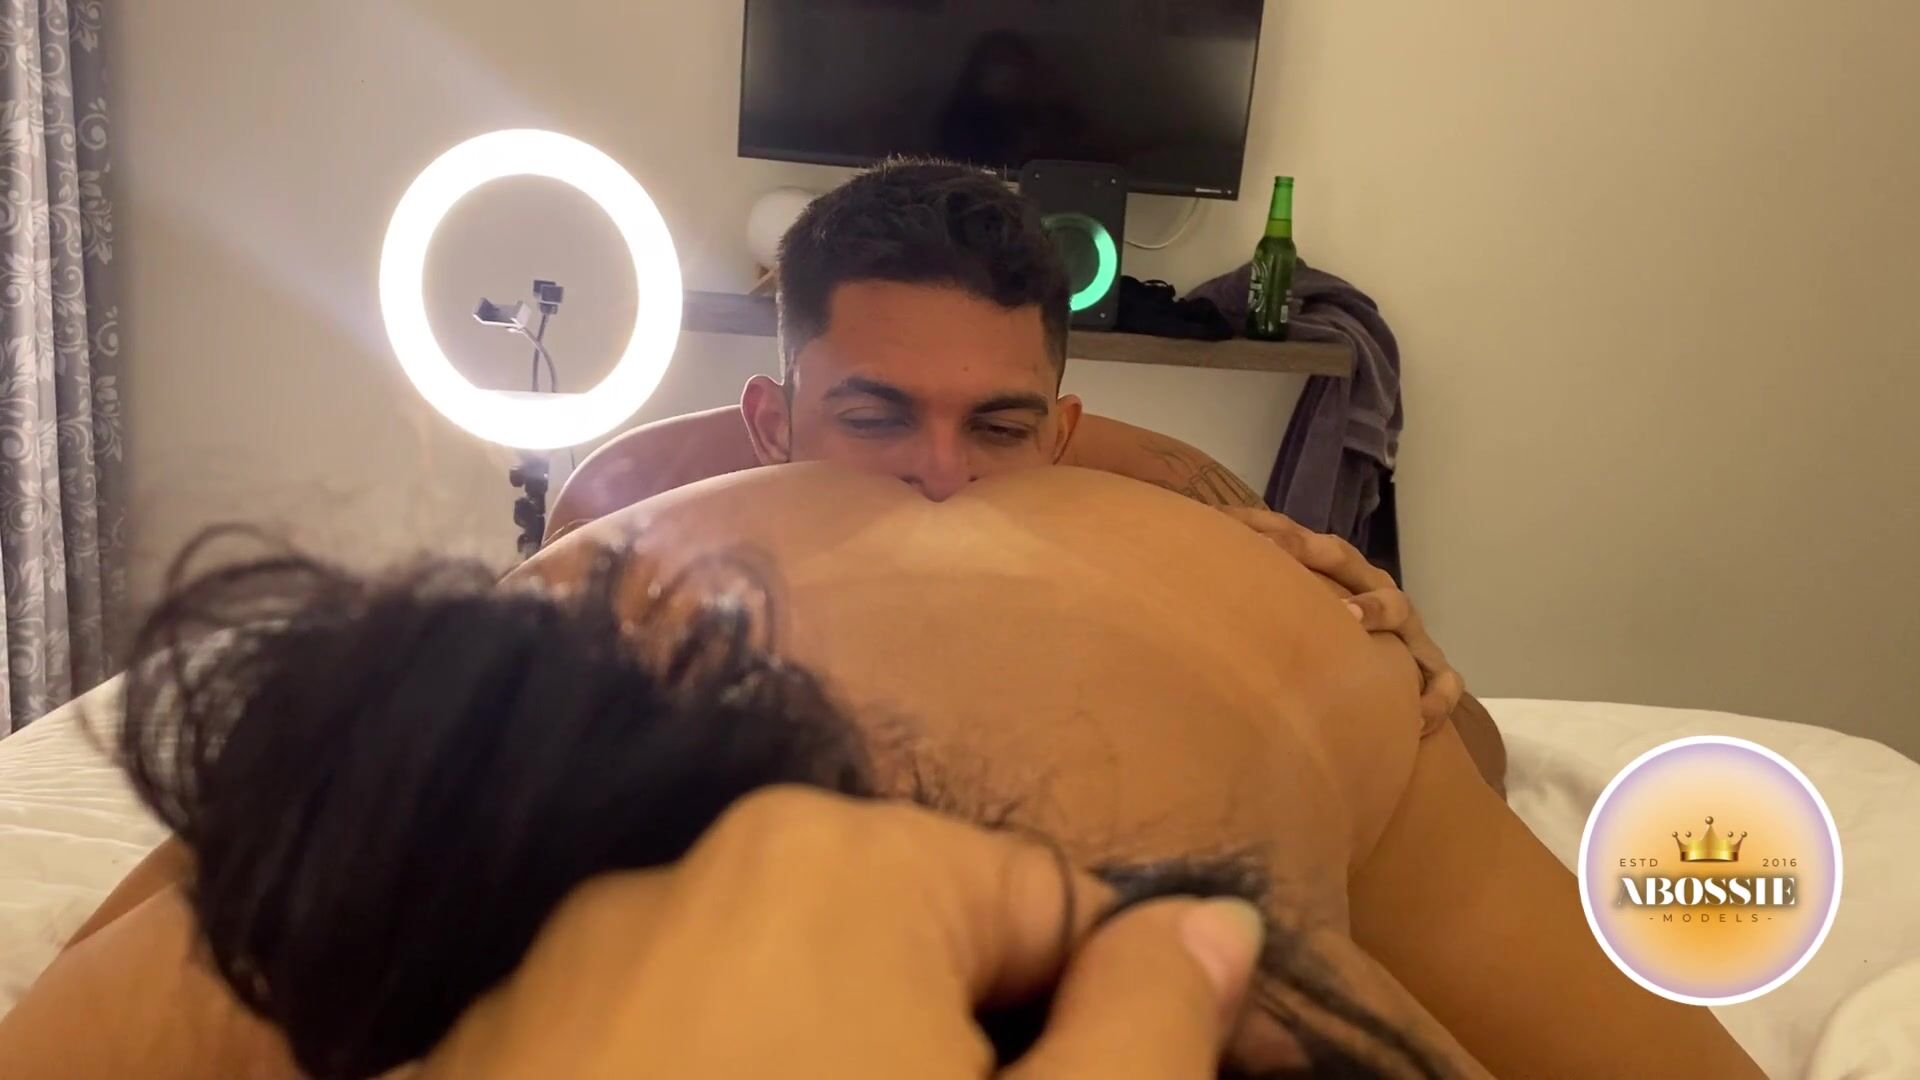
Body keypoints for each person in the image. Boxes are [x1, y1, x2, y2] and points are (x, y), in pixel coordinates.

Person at [0, 465, 1763, 1078]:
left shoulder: (588, 573)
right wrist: (1433, 695)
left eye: (994, 423)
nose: (935, 474)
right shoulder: (1279, 601)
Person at [549, 160, 1503, 785]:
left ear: (1058, 434)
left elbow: (1479, 776)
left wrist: (1412, 673)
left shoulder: (1171, 550)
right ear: (772, 425)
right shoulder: (645, 570)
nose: (941, 474)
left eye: (1000, 428)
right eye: (875, 419)